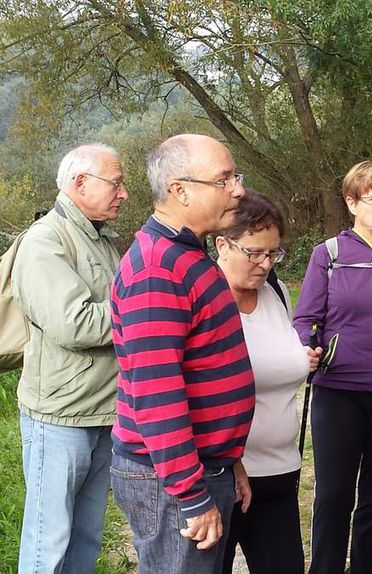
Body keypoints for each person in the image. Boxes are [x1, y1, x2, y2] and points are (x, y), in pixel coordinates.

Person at [109, 134, 254, 573]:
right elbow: (157, 397)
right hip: (170, 480)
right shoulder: (158, 270)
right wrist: (192, 494)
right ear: (180, 190)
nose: (238, 189)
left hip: (203, 466)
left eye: (236, 177)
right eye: (224, 179)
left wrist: (229, 461)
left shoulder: (185, 254)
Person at [292, 160, 372, 574]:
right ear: (351, 203)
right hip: (338, 390)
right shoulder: (328, 254)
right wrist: (307, 346)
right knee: (333, 494)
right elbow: (305, 318)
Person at [13, 143, 128, 573]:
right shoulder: (46, 240)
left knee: (86, 535)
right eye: (115, 183)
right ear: (80, 183)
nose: (123, 193)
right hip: (59, 417)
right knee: (49, 541)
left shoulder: (100, 238)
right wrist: (145, 312)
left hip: (101, 411)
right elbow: (74, 324)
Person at [215, 190, 320, 573]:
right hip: (223, 477)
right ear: (222, 245)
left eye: (273, 253)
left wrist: (302, 358)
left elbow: (279, 354)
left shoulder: (275, 292)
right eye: (254, 253)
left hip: (280, 471)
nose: (265, 264)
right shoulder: (204, 301)